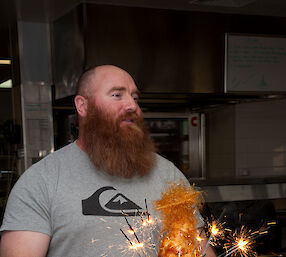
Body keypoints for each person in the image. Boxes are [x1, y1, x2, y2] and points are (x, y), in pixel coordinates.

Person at [0, 65, 216, 257]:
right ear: (82, 106)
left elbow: (197, 249)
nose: (132, 105)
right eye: (117, 95)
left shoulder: (168, 175)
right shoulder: (42, 181)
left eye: (134, 97)